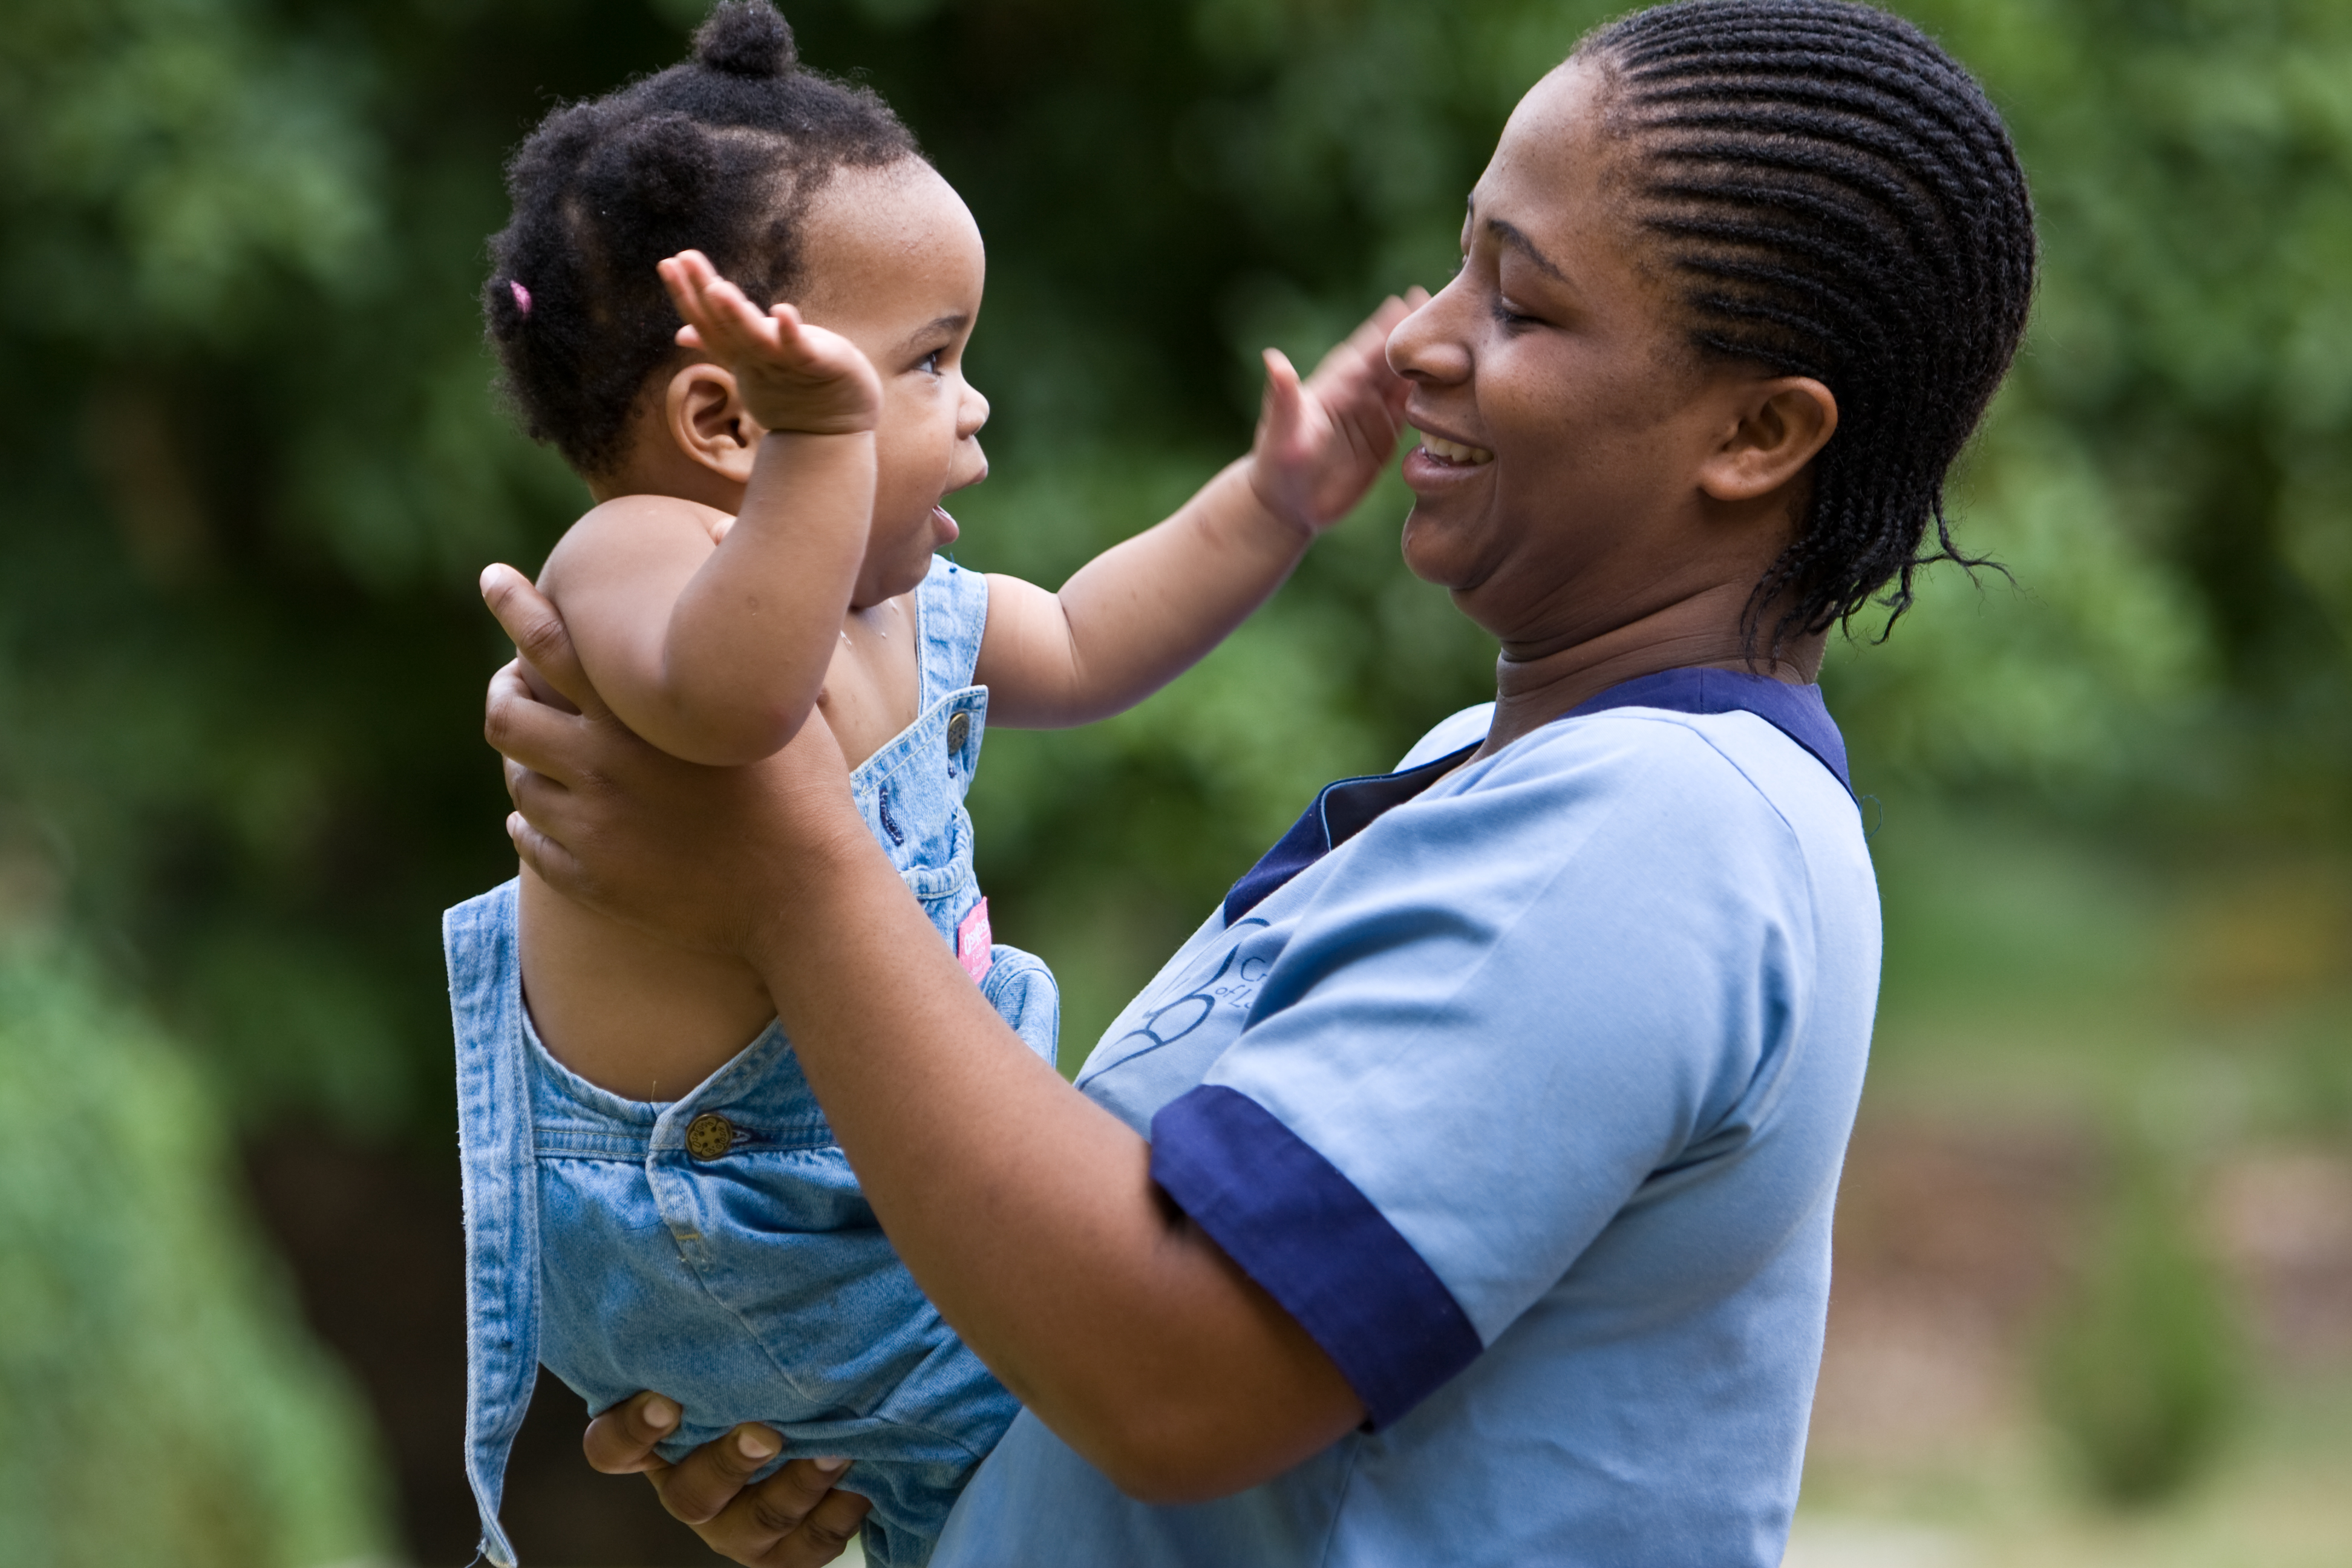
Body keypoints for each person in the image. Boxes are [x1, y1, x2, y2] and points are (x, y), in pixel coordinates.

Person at [479, 0, 2038, 1562]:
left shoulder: (1657, 840)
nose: (1425, 336)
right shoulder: (1488, 778)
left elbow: (1175, 1386)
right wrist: (844, 1403)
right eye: (1462, 263)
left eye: (1524, 306)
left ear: (1758, 433)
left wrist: (779, 862)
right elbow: (1119, 1336)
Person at [446, 4, 1416, 1564]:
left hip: (850, 1197)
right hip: (726, 1214)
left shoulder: (905, 610)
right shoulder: (638, 561)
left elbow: (1096, 640)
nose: (972, 407)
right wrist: (823, 451)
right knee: (1042, 1445)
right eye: (930, 362)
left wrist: (1274, 501)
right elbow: (736, 707)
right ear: (725, 420)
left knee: (1012, 1446)